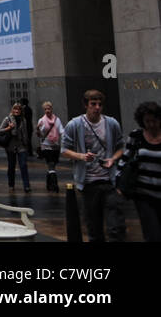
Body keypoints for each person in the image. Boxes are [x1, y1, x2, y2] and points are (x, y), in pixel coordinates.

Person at [60, 89, 126, 242]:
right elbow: (64, 150)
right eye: (93, 104)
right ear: (86, 105)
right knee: (94, 227)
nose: (97, 107)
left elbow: (121, 147)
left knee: (115, 225)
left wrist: (112, 159)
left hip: (109, 180)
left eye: (100, 104)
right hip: (88, 183)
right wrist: (82, 156)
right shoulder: (75, 124)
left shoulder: (111, 123)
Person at [120, 101, 161, 242]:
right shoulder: (136, 136)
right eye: (147, 121)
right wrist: (119, 182)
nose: (151, 125)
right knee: (152, 234)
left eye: (154, 121)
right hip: (144, 194)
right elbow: (125, 159)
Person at [0, 101, 32, 192]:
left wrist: (26, 144)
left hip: (21, 146)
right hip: (11, 146)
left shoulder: (23, 120)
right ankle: (11, 184)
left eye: (19, 109)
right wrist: (9, 128)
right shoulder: (7, 119)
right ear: (12, 110)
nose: (17, 111)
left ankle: (26, 186)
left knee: (23, 165)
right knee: (11, 166)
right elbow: (0, 131)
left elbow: (25, 133)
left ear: (21, 111)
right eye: (15, 109)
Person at [35, 101, 65, 191]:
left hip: (55, 145)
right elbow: (40, 135)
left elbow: (61, 131)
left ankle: (48, 184)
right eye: (45, 109)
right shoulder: (41, 120)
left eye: (49, 109)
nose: (47, 111)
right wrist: (38, 129)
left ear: (51, 109)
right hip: (46, 145)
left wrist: (64, 143)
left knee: (52, 165)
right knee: (51, 164)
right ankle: (55, 185)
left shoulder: (57, 120)